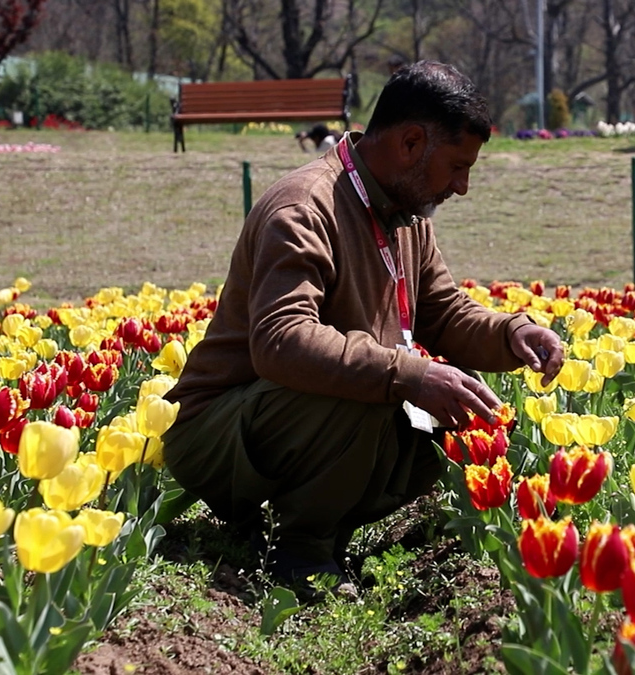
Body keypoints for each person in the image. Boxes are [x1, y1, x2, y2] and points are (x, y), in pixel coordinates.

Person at [163, 61, 564, 602]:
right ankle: (301, 550)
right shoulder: (306, 207)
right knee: (380, 387)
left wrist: (512, 334)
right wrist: (409, 374)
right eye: (456, 167)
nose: (462, 187)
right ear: (411, 142)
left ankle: (323, 527)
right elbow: (281, 340)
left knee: (449, 411)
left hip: (283, 418)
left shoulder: (405, 215)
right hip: (216, 429)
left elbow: (443, 311)